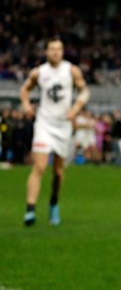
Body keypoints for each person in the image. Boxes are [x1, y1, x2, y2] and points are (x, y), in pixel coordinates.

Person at [20, 38, 90, 226]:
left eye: (59, 49)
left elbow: (84, 91)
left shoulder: (71, 70)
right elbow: (24, 89)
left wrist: (76, 108)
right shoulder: (39, 72)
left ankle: (53, 202)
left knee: (58, 172)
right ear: (46, 51)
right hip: (44, 123)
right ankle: (30, 209)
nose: (55, 52)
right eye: (52, 49)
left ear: (63, 51)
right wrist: (26, 104)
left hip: (63, 125)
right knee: (40, 167)